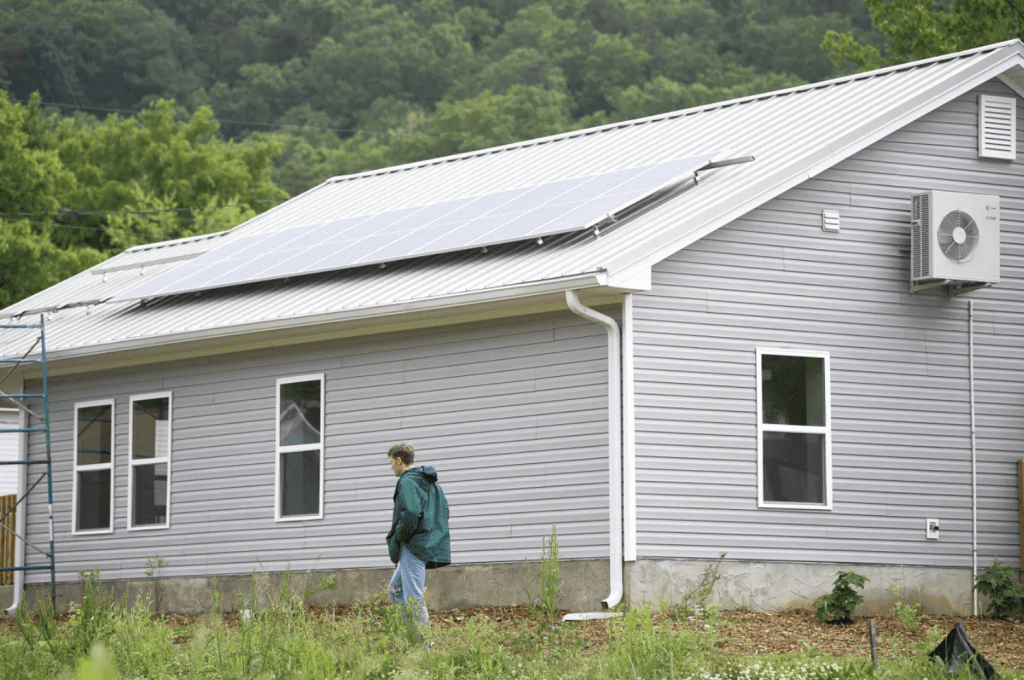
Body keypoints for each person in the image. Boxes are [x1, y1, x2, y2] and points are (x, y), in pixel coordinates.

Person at [385, 442, 450, 638]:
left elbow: (412, 512)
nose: (391, 467)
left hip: (414, 545)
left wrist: (400, 536)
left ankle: (423, 647)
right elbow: (444, 511)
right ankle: (411, 635)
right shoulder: (431, 483)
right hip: (424, 542)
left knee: (413, 598)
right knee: (396, 590)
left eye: (391, 463)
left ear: (399, 460)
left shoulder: (407, 481)